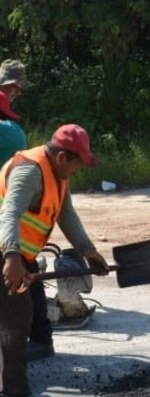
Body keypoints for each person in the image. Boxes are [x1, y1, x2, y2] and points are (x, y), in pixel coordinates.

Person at [0, 124, 109, 397]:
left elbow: (65, 212)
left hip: (18, 254)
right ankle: (14, 394)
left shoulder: (56, 173)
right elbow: (8, 213)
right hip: (6, 250)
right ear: (62, 157)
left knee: (16, 318)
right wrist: (11, 257)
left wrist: (88, 250)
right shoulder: (30, 171)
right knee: (15, 321)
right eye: (77, 164)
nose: (78, 170)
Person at [0, 59, 53, 360]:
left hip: (10, 206)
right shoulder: (12, 130)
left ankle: (38, 338)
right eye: (18, 89)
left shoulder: (8, 129)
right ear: (12, 87)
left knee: (23, 269)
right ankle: (39, 336)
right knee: (25, 266)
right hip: (15, 206)